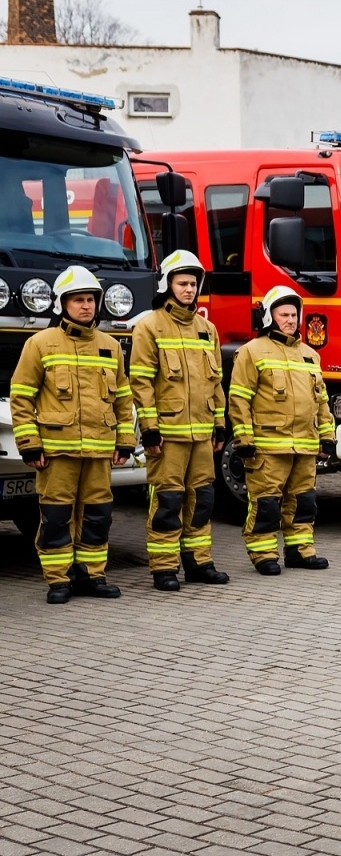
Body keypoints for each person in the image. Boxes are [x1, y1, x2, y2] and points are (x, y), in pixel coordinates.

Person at [8, 266, 135, 602]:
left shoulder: (110, 346)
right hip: (56, 451)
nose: (86, 306)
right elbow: (21, 397)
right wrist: (29, 444)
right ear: (61, 304)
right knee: (56, 517)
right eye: (78, 300)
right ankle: (58, 580)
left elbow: (123, 398)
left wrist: (126, 440)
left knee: (97, 516)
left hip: (99, 453)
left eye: (91, 299)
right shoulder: (40, 344)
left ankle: (93, 576)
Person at [129, 251, 230, 590]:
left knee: (202, 500)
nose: (188, 289)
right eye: (182, 283)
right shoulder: (149, 326)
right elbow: (140, 383)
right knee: (168, 502)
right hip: (167, 435)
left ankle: (199, 563)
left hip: (202, 434)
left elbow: (215, 383)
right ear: (168, 285)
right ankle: (164, 568)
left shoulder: (207, 329)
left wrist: (219, 424)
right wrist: (150, 429)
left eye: (193, 284)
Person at [229, 286, 336, 575]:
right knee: (266, 504)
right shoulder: (251, 352)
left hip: (304, 445)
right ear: (269, 317)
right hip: (268, 446)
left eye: (293, 314)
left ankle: (300, 551)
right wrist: (244, 439)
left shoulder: (310, 355)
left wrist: (328, 437)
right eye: (283, 314)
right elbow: (239, 398)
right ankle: (263, 553)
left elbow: (321, 401)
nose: (290, 320)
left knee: (304, 502)